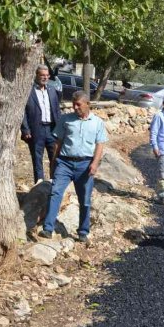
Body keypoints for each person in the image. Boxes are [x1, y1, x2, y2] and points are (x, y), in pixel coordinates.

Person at [39, 92, 107, 243]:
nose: (75, 107)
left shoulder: (97, 122)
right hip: (64, 163)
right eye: (73, 104)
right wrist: (53, 163)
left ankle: (83, 232)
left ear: (88, 104)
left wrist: (95, 163)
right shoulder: (65, 119)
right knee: (55, 192)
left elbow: (100, 145)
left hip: (85, 165)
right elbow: (58, 143)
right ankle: (48, 229)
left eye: (78, 105)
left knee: (85, 199)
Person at [21, 65, 61, 183]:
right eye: (42, 75)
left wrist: (60, 128)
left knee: (54, 157)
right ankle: (39, 185)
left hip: (52, 129)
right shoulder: (28, 91)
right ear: (36, 75)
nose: (45, 77)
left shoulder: (52, 90)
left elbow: (57, 110)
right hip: (36, 129)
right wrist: (25, 129)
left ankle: (54, 184)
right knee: (37, 159)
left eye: (47, 75)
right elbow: (22, 112)